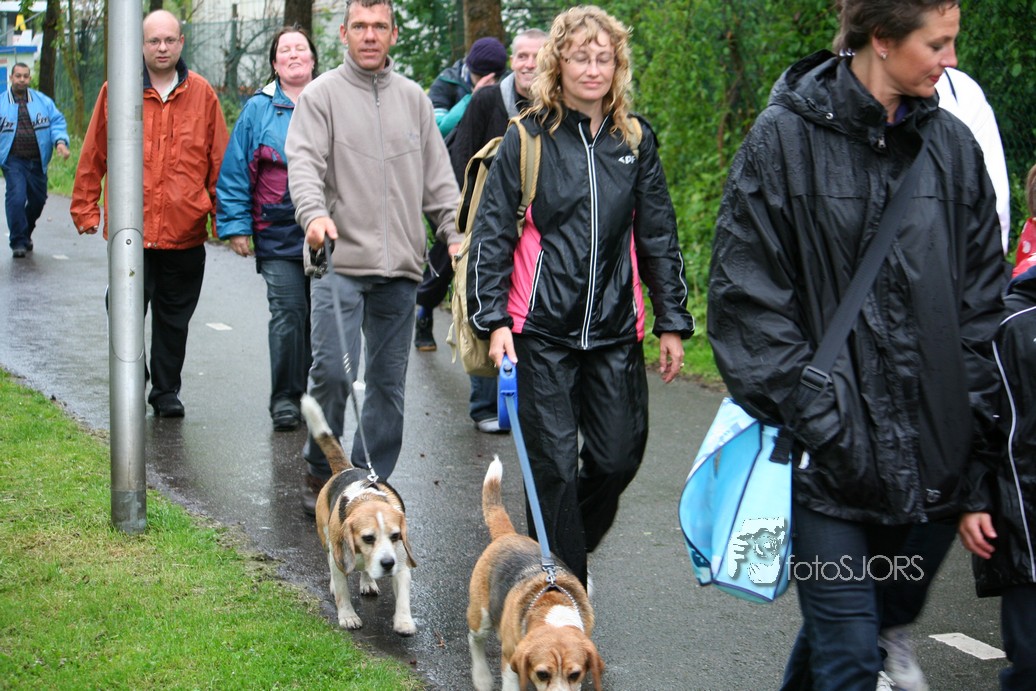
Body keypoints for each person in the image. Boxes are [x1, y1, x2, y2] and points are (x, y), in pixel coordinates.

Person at [707, 1, 1005, 689]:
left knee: (850, 638)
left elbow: (981, 311)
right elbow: (745, 301)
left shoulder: (953, 149)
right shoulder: (783, 139)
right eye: (937, 44)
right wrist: (826, 423)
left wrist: (969, 443)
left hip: (931, 473)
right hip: (828, 474)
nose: (951, 61)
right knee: (848, 660)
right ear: (882, 39)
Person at [467, 5, 693, 588]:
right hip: (540, 331)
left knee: (618, 459)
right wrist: (493, 320)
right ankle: (563, 582)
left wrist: (671, 320)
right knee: (554, 469)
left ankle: (566, 549)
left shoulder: (634, 140)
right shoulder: (527, 138)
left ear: (617, 66)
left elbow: (659, 235)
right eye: (580, 57)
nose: (592, 69)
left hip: (616, 330)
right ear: (558, 64)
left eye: (603, 58)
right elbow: (493, 234)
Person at [285, 0, 461, 515]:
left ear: (393, 34)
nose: (369, 35)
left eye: (378, 26)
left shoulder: (414, 100)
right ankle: (322, 467)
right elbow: (303, 163)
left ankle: (366, 480)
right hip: (337, 258)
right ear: (343, 33)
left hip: (400, 268)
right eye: (359, 26)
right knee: (333, 373)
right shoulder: (321, 95)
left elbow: (438, 179)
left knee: (387, 386)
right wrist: (313, 215)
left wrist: (454, 232)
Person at [878, 64, 1013, 691]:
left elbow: (993, 209)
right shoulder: (824, 108)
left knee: (942, 496)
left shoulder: (965, 100)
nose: (946, 53)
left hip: (946, 325)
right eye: (934, 39)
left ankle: (888, 624)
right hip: (868, 343)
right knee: (862, 543)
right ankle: (868, 637)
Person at [71, 9, 229, 418]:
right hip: (131, 231)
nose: (162, 48)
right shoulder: (117, 89)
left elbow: (219, 162)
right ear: (140, 44)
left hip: (184, 231)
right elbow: (94, 151)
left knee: (174, 319)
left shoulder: (203, 95)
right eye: (154, 40)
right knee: (122, 307)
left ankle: (165, 391)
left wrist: (226, 221)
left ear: (181, 43)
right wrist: (85, 206)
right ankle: (132, 373)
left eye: (169, 40)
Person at [418, 28, 547, 435]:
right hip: (484, 223)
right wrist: (460, 227)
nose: (529, 64)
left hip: (538, 229)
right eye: (522, 56)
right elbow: (461, 158)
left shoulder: (557, 105)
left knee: (529, 310)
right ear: (512, 61)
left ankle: (528, 400)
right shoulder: (487, 99)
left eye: (537, 56)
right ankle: (485, 404)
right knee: (486, 303)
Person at [216, 27, 319, 432]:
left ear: (312, 59)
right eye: (285, 50)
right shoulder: (258, 110)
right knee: (289, 313)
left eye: (300, 49)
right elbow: (235, 171)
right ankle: (286, 400)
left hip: (328, 233)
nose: (293, 55)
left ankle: (315, 399)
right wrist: (237, 226)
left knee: (320, 320)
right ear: (275, 63)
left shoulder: (332, 98)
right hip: (277, 232)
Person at [959, 169, 1036, 691]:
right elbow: (980, 416)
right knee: (1031, 662)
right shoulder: (1008, 322)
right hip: (1026, 530)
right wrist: (974, 499)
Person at [414, 35, 508, 354]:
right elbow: (437, 127)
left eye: (493, 75)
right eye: (480, 74)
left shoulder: (509, 84)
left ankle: (481, 327)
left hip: (488, 181)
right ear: (469, 67)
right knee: (449, 252)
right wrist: (474, 97)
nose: (488, 80)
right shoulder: (447, 83)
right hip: (444, 182)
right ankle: (425, 308)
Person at [0, 62, 70, 258]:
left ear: (30, 79)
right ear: (11, 78)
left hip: (38, 161)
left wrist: (60, 142)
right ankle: (18, 242)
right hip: (13, 161)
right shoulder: (2, 103)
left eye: (25, 76)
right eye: (18, 76)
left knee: (38, 200)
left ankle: (25, 231)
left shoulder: (43, 102)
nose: (22, 80)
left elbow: (57, 122)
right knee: (16, 198)